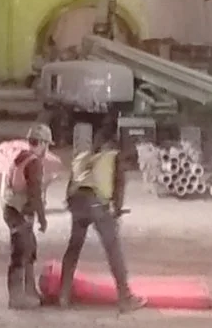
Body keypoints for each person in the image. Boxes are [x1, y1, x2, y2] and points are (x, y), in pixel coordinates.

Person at [58, 121, 146, 313]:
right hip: (97, 203)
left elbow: (71, 183)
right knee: (113, 249)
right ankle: (125, 297)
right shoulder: (114, 157)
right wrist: (117, 210)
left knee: (73, 248)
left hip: (77, 202)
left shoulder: (85, 157)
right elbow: (119, 186)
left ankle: (63, 295)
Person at [0, 124, 58, 309]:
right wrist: (43, 219)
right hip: (18, 212)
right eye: (47, 145)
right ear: (43, 143)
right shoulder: (34, 162)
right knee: (21, 252)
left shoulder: (20, 157)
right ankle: (17, 297)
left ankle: (30, 292)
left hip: (12, 209)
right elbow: (35, 194)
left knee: (28, 249)